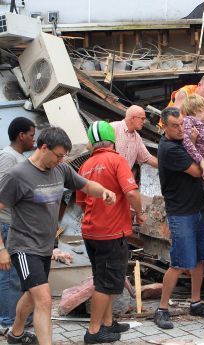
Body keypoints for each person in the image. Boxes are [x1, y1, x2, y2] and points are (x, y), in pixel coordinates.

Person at [0, 127, 116, 345]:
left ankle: (15, 334)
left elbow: (86, 185)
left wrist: (104, 192)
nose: (62, 160)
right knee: (43, 299)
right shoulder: (17, 175)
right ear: (44, 148)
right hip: (24, 247)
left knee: (31, 296)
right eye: (59, 155)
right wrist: (1, 249)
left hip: (45, 246)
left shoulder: (60, 170)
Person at [76, 121, 146, 344]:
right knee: (106, 284)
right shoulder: (117, 160)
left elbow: (80, 202)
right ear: (112, 140)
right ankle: (94, 331)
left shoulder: (84, 166)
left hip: (90, 232)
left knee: (102, 280)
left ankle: (107, 324)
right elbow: (132, 193)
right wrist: (140, 213)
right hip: (111, 233)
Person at [152, 107, 204, 329]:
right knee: (180, 263)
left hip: (197, 208)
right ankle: (162, 309)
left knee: (200, 258)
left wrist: (193, 143)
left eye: (182, 124)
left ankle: (196, 302)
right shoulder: (170, 148)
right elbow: (199, 172)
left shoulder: (183, 142)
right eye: (175, 126)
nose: (180, 129)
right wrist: (195, 146)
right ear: (164, 126)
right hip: (181, 213)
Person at [0, 117, 36, 329]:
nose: (34, 139)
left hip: (15, 226)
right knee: (9, 276)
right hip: (6, 226)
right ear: (21, 135)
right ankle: (7, 322)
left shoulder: (18, 158)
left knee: (15, 276)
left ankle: (17, 319)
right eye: (31, 135)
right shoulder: (7, 158)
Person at [111, 105, 158, 169]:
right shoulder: (113, 128)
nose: (144, 122)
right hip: (107, 175)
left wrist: (167, 168)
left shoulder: (137, 138)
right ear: (133, 118)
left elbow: (147, 158)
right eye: (142, 118)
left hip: (123, 177)